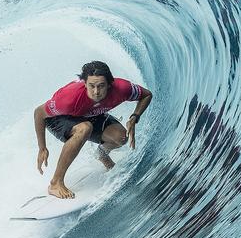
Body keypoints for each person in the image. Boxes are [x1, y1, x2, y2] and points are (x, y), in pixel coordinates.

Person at [34, 61, 153, 199]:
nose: (96, 91)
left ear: (109, 84)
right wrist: (42, 147)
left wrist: (134, 117)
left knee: (121, 137)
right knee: (84, 128)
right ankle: (55, 183)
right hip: (59, 118)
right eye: (91, 86)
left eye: (101, 86)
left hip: (90, 114)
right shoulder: (69, 99)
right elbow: (39, 113)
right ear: (84, 84)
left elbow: (146, 95)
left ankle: (102, 156)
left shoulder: (122, 88)